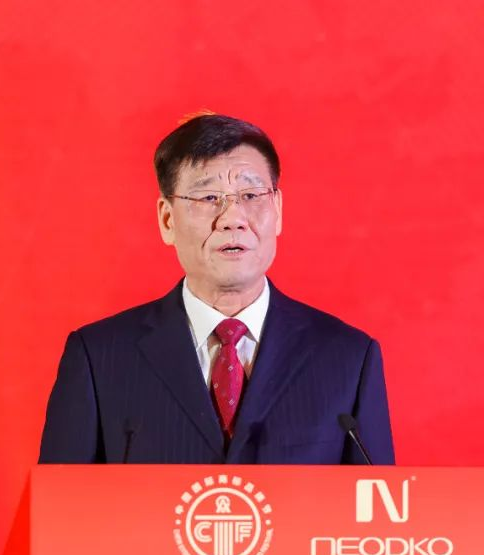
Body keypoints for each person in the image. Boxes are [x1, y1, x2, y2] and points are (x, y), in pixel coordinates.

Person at [38, 114, 394, 464]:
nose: (232, 219)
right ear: (167, 219)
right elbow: (61, 501)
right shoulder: (99, 357)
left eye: (251, 195)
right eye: (209, 198)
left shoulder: (348, 358)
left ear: (278, 210)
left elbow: (377, 500)